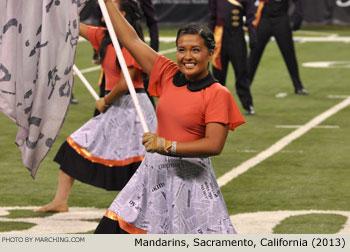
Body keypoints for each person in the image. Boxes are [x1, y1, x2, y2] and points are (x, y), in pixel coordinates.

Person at [93, 0, 246, 234]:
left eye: (196, 50)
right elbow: (130, 39)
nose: (187, 56)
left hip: (191, 183)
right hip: (152, 173)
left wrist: (167, 146)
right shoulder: (166, 72)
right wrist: (106, 2)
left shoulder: (217, 93)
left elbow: (214, 145)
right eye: (181, 49)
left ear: (210, 52)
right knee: (108, 234)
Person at [35, 0, 157, 213]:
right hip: (115, 108)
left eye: (109, 12)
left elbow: (127, 81)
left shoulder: (132, 43)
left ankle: (147, 208)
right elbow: (73, 25)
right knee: (75, 144)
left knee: (145, 162)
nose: (102, 17)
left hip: (134, 108)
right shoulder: (102, 37)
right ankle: (60, 201)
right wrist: (51, 12)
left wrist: (105, 100)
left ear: (124, 16)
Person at [248, 0, 308, 95]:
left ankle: (298, 85)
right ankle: (246, 84)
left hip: (281, 18)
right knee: (254, 53)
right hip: (264, 18)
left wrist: (298, 14)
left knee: (289, 53)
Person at [208, 0, 256, 115]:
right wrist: (208, 37)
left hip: (237, 36)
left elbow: (250, 16)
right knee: (218, 74)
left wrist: (252, 33)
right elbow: (212, 16)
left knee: (241, 72)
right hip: (220, 37)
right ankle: (217, 105)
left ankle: (247, 104)